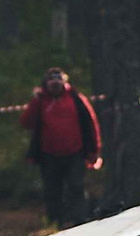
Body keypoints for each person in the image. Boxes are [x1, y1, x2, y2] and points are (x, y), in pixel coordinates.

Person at [20, 67, 102, 226]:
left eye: (58, 82)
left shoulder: (76, 99)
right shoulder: (40, 101)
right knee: (52, 191)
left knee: (76, 187)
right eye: (52, 82)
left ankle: (80, 220)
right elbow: (26, 123)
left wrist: (94, 150)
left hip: (75, 152)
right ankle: (57, 221)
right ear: (46, 84)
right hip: (48, 154)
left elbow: (91, 124)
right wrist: (35, 102)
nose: (55, 85)